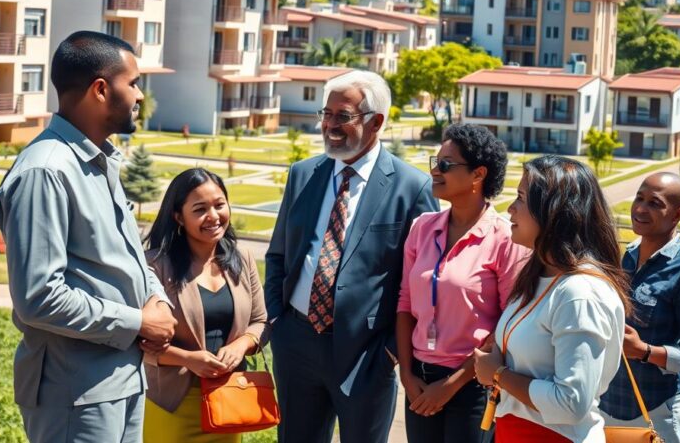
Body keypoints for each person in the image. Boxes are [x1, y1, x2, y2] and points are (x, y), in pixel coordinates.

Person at [0, 31, 176, 443]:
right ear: (99, 89)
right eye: (132, 83)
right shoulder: (46, 170)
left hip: (121, 380)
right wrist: (138, 322)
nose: (140, 96)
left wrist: (156, 301)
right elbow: (39, 297)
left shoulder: (99, 160)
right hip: (76, 393)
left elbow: (127, 256)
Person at [264, 70, 438, 443]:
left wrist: (390, 351)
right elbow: (278, 254)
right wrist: (278, 321)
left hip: (367, 354)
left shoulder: (412, 187)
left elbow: (424, 280)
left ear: (376, 122)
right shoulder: (302, 174)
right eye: (325, 114)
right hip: (296, 343)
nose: (329, 125)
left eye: (342, 116)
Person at [474, 155, 629, 442]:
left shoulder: (579, 293)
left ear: (554, 211)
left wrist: (497, 374)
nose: (510, 208)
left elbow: (571, 401)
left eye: (521, 197)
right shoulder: (539, 275)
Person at [396, 124, 529, 443]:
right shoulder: (422, 228)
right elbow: (404, 304)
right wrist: (406, 373)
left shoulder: (504, 237)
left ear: (477, 174)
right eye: (435, 161)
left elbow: (508, 324)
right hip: (419, 380)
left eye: (445, 164)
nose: (434, 170)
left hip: (474, 387)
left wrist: (452, 384)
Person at [142, 168, 268, 443]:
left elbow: (260, 321)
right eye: (200, 209)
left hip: (227, 399)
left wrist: (240, 345)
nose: (213, 216)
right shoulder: (154, 266)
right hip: (172, 405)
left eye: (219, 205)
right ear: (178, 216)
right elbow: (138, 343)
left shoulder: (243, 259)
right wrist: (188, 359)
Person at [599, 173, 680, 443]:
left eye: (654, 203)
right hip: (607, 403)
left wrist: (644, 351)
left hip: (656, 409)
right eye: (639, 198)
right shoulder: (627, 256)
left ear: (677, 214)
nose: (640, 208)